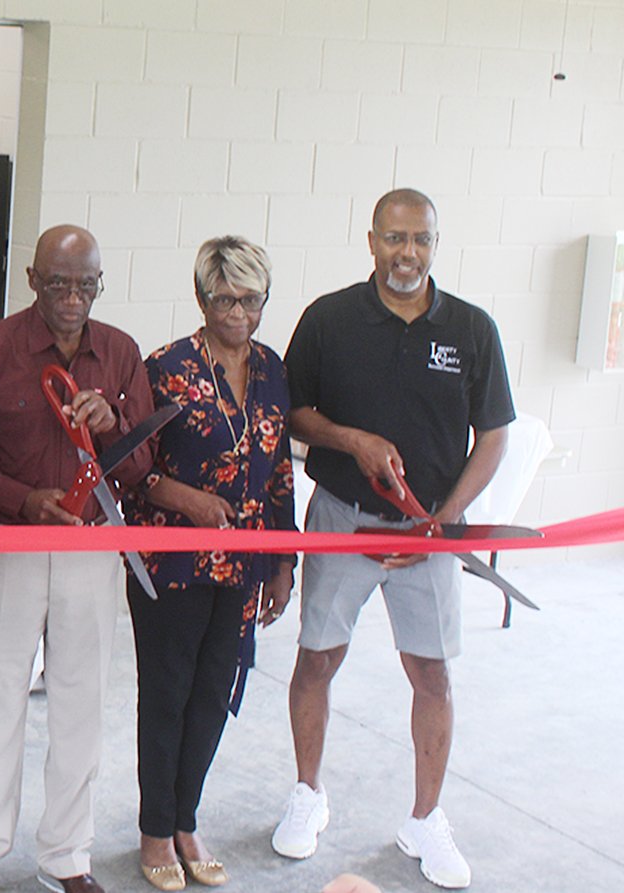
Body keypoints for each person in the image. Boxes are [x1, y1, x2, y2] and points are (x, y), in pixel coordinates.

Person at [273, 189, 513, 890]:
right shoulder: (329, 318)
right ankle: (307, 794)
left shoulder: (471, 328)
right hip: (342, 517)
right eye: (396, 238)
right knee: (317, 659)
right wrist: (352, 439)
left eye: (423, 240)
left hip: (428, 528)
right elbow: (294, 413)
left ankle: (425, 819)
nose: (409, 253)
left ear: (435, 244)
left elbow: (494, 433)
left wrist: (444, 520)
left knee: (432, 674)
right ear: (372, 240)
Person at [0, 224, 154, 893]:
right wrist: (23, 500)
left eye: (84, 283)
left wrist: (112, 425)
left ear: (100, 283)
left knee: (81, 702)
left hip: (93, 551)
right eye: (57, 282)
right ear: (33, 279)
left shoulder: (120, 353)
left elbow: (144, 460)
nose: (71, 296)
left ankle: (68, 856)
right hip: (8, 544)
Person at [121, 236, 297, 891]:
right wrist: (185, 497)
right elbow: (128, 468)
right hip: (170, 562)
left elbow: (279, 467)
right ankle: (155, 828)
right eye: (224, 298)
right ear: (202, 297)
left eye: (251, 300)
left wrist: (284, 563)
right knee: (166, 695)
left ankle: (188, 819)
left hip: (246, 565)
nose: (238, 312)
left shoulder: (275, 369)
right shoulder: (164, 366)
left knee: (213, 697)